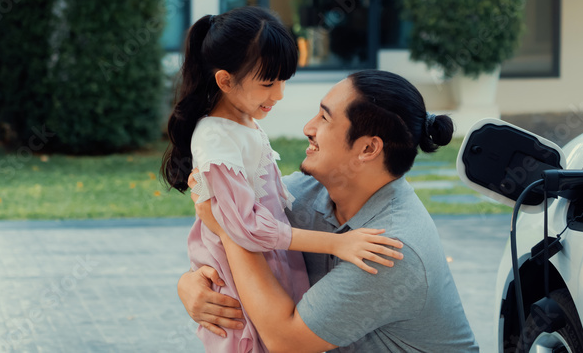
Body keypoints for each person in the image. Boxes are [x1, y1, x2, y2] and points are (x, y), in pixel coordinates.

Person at [178, 70, 480, 353]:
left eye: (324, 117)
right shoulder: (307, 193)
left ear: (368, 149)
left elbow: (285, 340)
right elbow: (229, 224)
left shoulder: (392, 247)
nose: (308, 128)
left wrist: (230, 230)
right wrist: (191, 285)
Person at [162, 8, 404, 353]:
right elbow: (247, 229)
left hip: (267, 258)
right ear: (225, 81)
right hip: (243, 270)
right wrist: (337, 244)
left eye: (283, 80)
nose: (279, 95)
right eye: (268, 83)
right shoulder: (216, 140)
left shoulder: (239, 122)